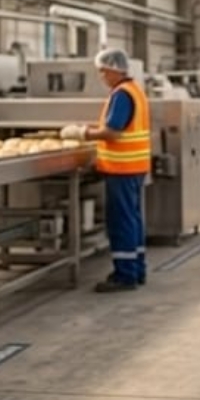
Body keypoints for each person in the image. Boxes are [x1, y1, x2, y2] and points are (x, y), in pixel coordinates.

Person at [61, 48, 150, 293]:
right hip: (135, 167)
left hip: (122, 168)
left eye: (102, 71)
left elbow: (113, 132)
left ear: (113, 69)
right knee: (132, 219)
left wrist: (82, 133)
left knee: (121, 221)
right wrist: (89, 128)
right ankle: (136, 269)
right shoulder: (135, 91)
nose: (101, 76)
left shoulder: (121, 94)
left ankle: (124, 276)